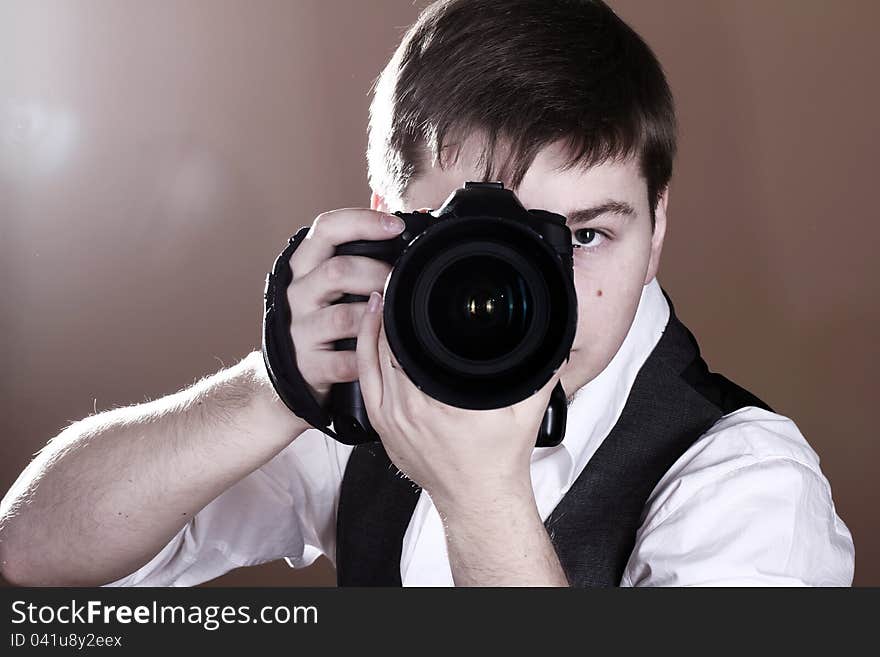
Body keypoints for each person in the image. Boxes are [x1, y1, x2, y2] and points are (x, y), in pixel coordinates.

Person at [0, 0, 855, 587]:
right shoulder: (372, 394)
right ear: (389, 224)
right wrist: (274, 388)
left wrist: (482, 499)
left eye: (584, 236)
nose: (539, 293)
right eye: (490, 248)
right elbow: (33, 553)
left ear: (657, 224)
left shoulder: (749, 482)